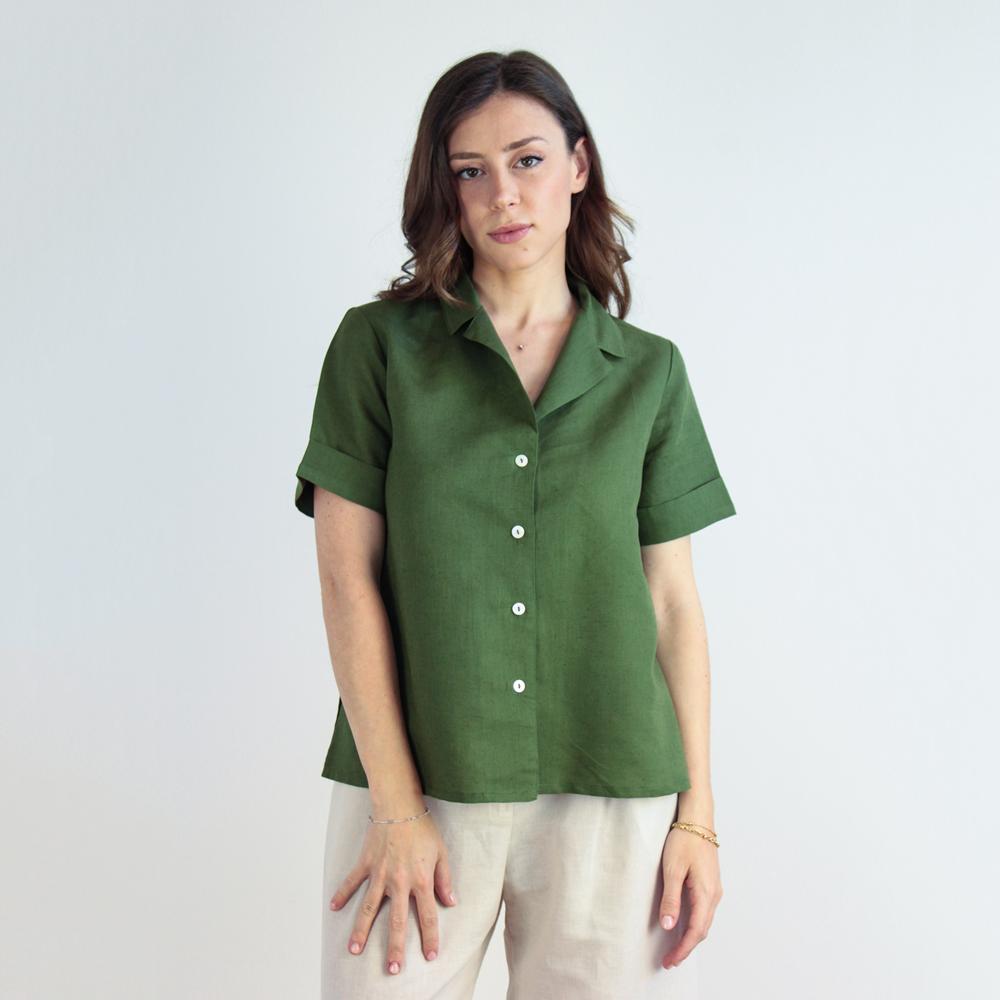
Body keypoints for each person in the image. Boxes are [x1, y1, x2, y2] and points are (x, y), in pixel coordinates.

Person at [293, 49, 736, 1000]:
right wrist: (396, 808)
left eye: (528, 160)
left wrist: (697, 814)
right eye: (471, 171)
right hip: (418, 778)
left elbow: (672, 603)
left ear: (578, 165)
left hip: (612, 780)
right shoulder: (378, 350)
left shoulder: (649, 372)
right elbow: (345, 578)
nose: (504, 194)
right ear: (444, 189)